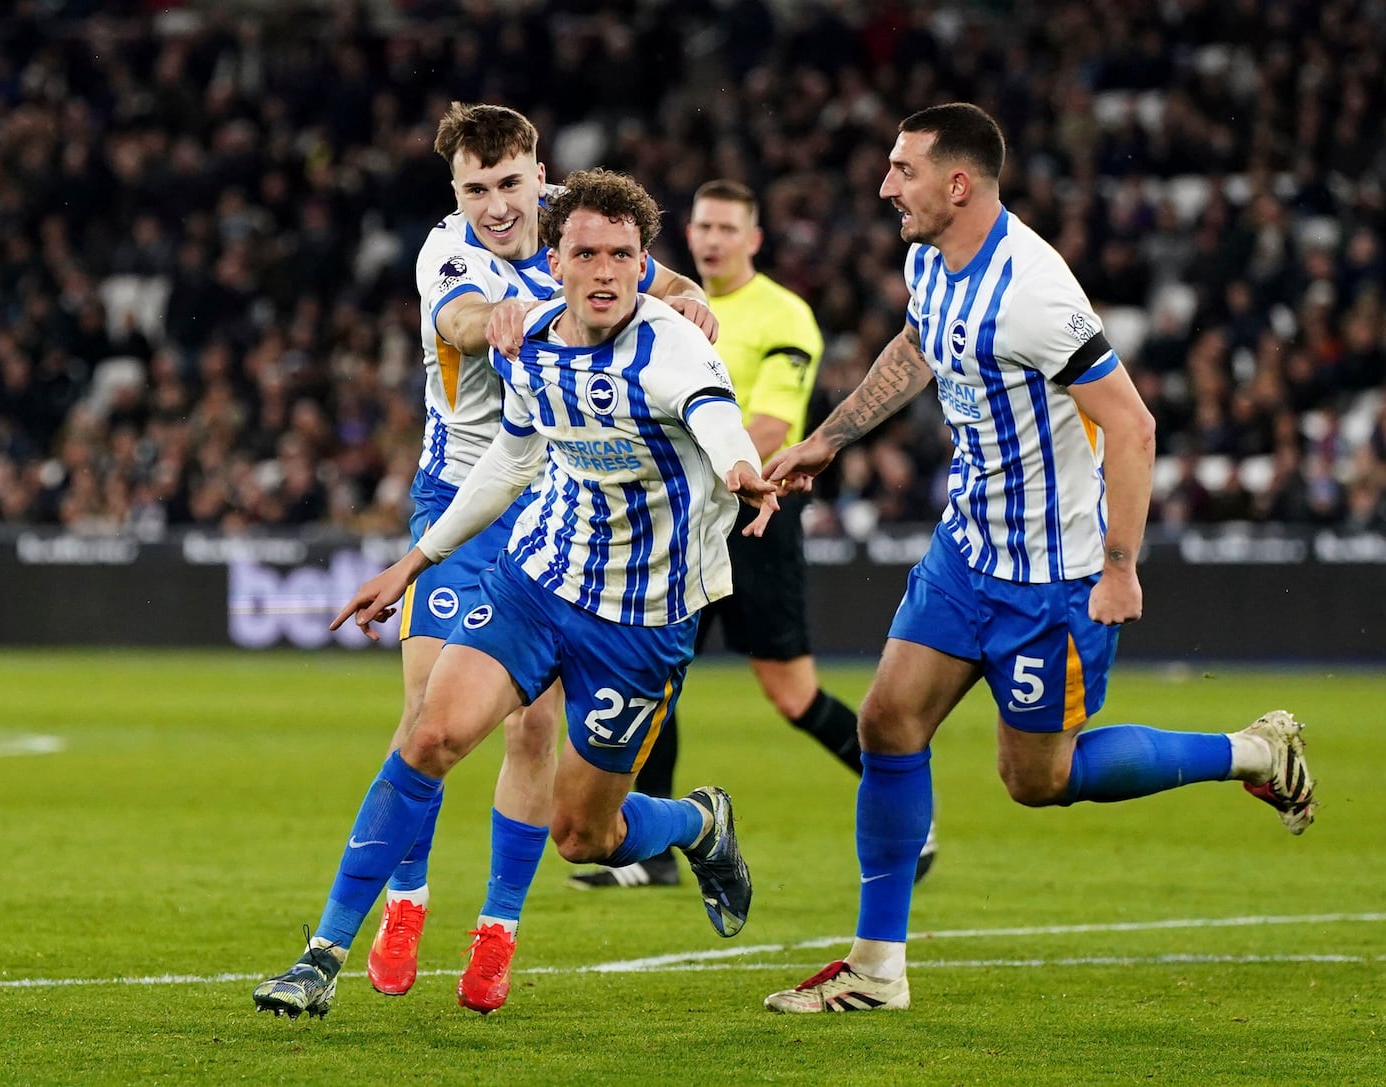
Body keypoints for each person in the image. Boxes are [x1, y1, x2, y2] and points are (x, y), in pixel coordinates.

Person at [759, 104, 1316, 1014]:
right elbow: (918, 347)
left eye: (903, 170)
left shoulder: (1036, 294)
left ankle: (1252, 751)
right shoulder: (928, 260)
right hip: (965, 551)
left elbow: (1132, 425)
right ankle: (876, 968)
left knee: (1037, 781)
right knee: (887, 723)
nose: (885, 185)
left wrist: (1122, 565)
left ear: (959, 182)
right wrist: (832, 436)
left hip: (1051, 584)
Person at [258, 167, 772, 1020]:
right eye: (586, 254)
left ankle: (694, 823)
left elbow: (718, 418)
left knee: (587, 834)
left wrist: (744, 470)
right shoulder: (530, 336)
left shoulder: (676, 347)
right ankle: (321, 956)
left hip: (640, 623)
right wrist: (413, 562)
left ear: (645, 265)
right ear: (556, 260)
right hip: (538, 583)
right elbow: (512, 458)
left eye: (623, 256)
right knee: (431, 731)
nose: (605, 272)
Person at [568, 180, 937, 890]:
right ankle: (648, 853)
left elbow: (767, 429)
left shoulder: (783, 315)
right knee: (649, 679)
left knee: (792, 692)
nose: (711, 239)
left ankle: (910, 807)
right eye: (702, 226)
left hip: (753, 517)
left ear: (754, 239)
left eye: (728, 229)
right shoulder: (658, 310)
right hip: (673, 523)